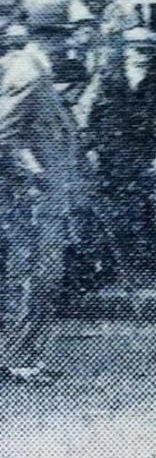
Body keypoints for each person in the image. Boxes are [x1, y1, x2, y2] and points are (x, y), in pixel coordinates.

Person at [0, 35, 87, 383]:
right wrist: (31, 177)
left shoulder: (41, 77)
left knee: (41, 276)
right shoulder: (30, 75)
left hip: (49, 199)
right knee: (36, 276)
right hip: (35, 202)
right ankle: (18, 358)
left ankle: (22, 356)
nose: (67, 44)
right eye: (59, 36)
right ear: (45, 40)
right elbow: (4, 134)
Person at [87, 26, 156, 270]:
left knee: (138, 203)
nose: (142, 56)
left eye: (147, 52)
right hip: (111, 151)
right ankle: (108, 260)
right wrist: (92, 147)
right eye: (137, 50)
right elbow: (93, 115)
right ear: (126, 51)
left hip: (142, 152)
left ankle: (135, 259)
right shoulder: (108, 78)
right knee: (110, 203)